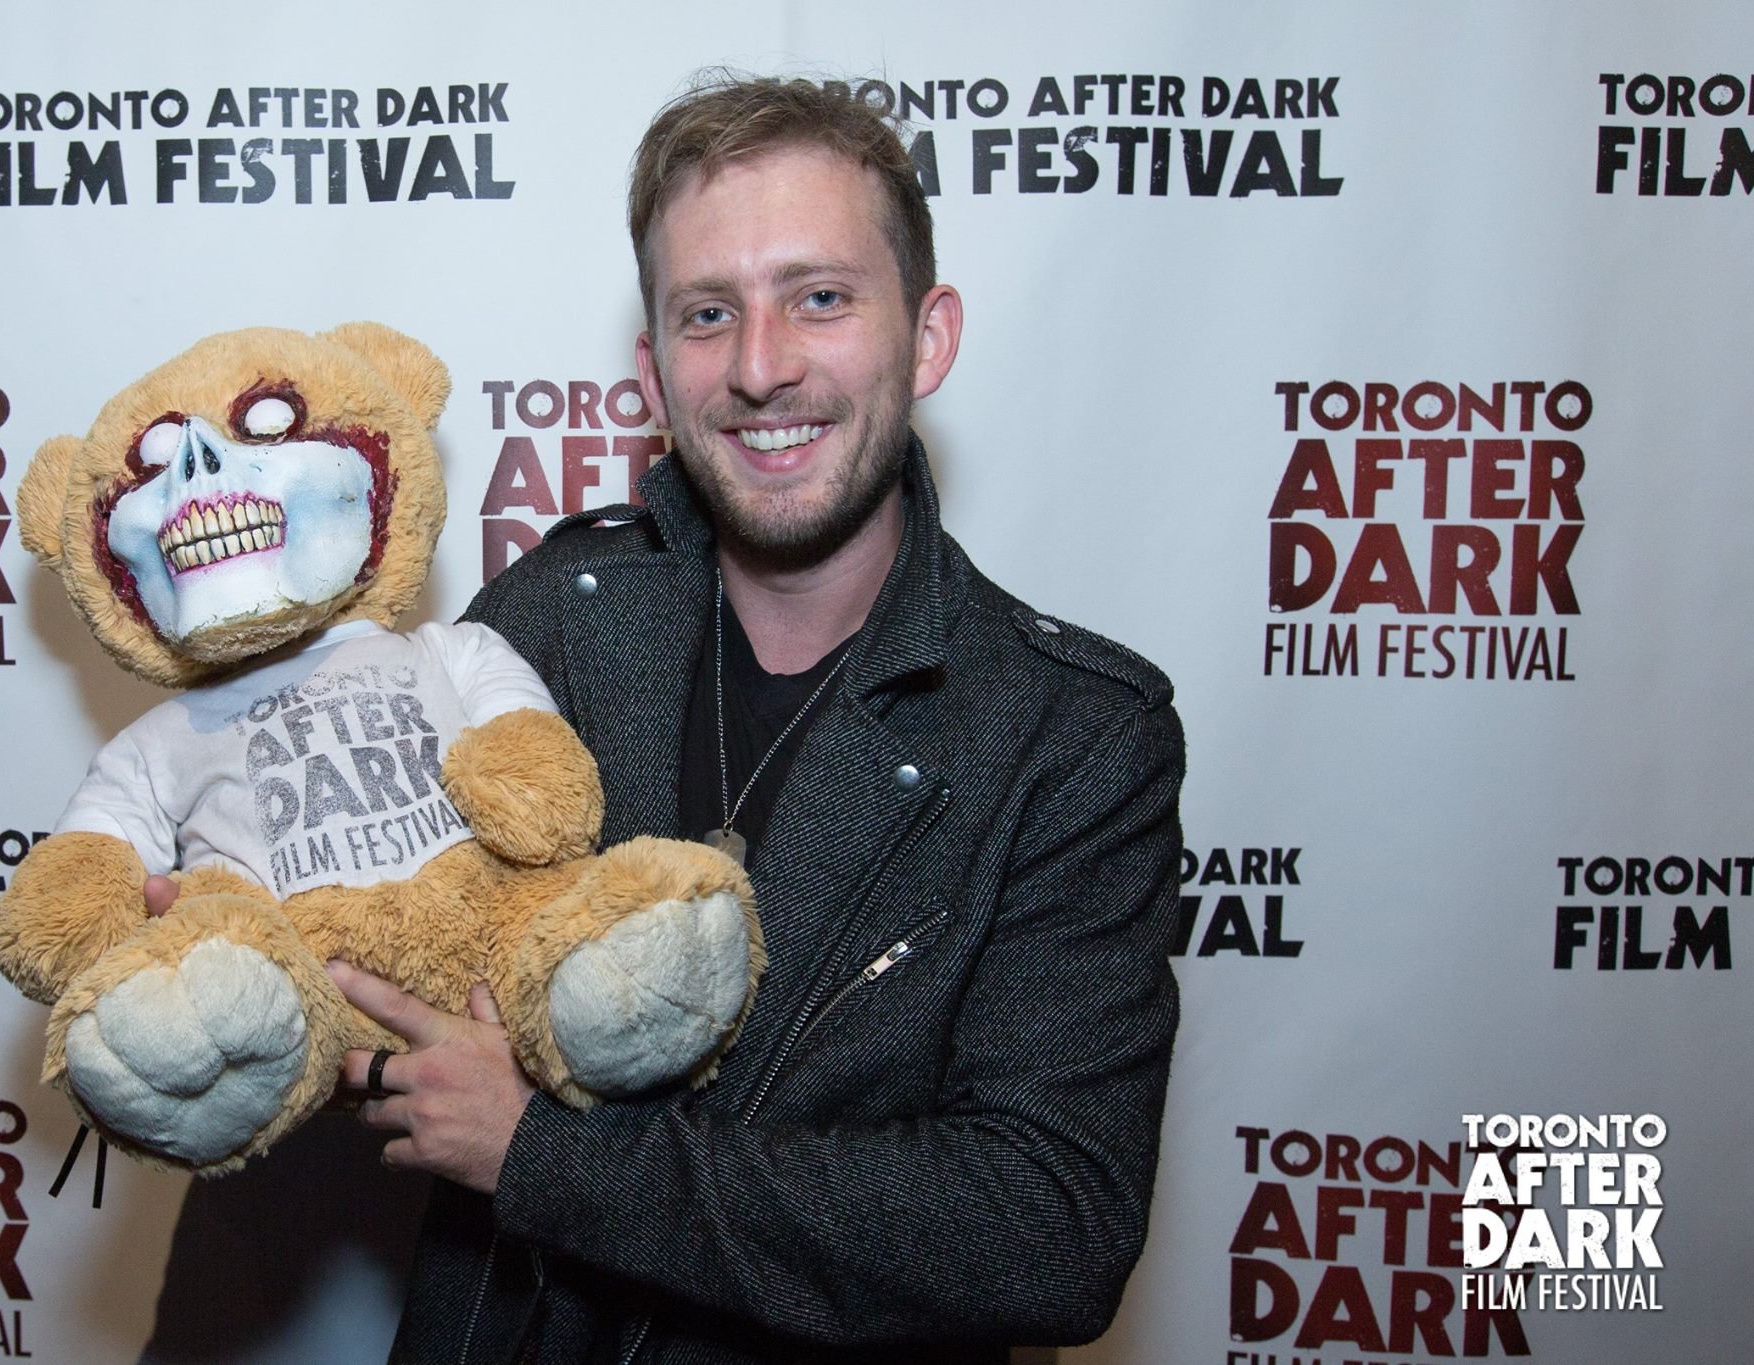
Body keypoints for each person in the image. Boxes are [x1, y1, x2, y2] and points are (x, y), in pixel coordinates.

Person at [165, 74, 1185, 1363]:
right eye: (711, 313)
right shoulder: (551, 623)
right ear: (652, 366)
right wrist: (246, 938)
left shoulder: (1069, 737)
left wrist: (549, 1155)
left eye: (820, 297)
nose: (762, 369)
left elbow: (1047, 1227)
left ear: (928, 337)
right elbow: (386, 956)